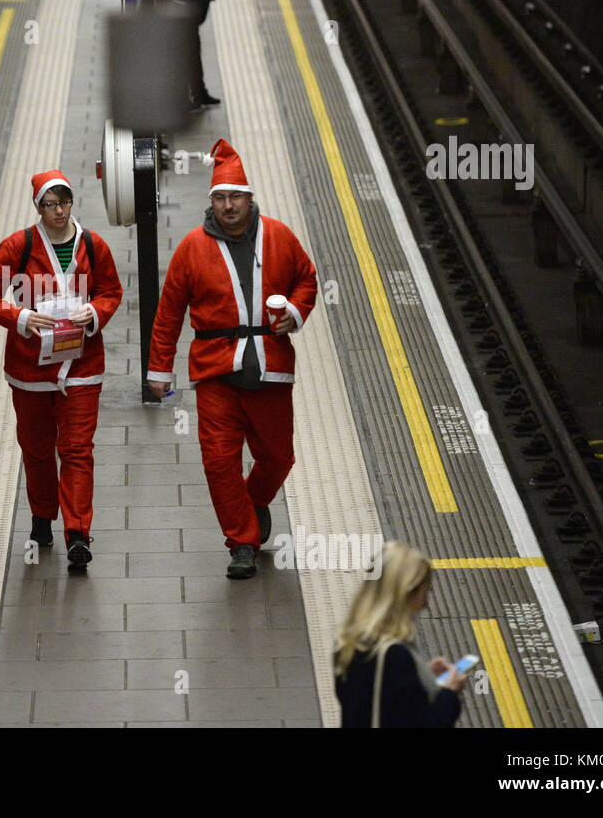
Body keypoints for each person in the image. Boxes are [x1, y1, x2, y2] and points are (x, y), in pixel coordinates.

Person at [146, 139, 317, 579]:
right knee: (219, 460)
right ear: (212, 202)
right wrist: (159, 369)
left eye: (235, 196)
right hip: (215, 371)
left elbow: (307, 279)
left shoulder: (279, 236)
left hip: (270, 368)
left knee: (278, 457)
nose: (228, 205)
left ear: (249, 198)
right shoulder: (191, 247)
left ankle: (254, 500)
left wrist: (295, 313)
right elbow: (169, 312)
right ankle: (241, 541)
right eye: (220, 198)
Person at [0, 170, 123, 568]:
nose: (59, 211)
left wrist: (95, 311)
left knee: (76, 449)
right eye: (50, 204)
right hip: (30, 371)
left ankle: (77, 533)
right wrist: (20, 316)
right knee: (37, 450)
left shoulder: (92, 245)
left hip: (81, 365)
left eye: (65, 202)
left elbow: (111, 290)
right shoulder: (19, 246)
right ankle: (42, 516)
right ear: (38, 207)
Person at [333, 541, 466, 727]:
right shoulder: (394, 656)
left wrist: (419, 674)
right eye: (424, 594)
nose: (425, 606)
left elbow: (376, 699)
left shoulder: (346, 641)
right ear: (406, 594)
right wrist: (449, 693)